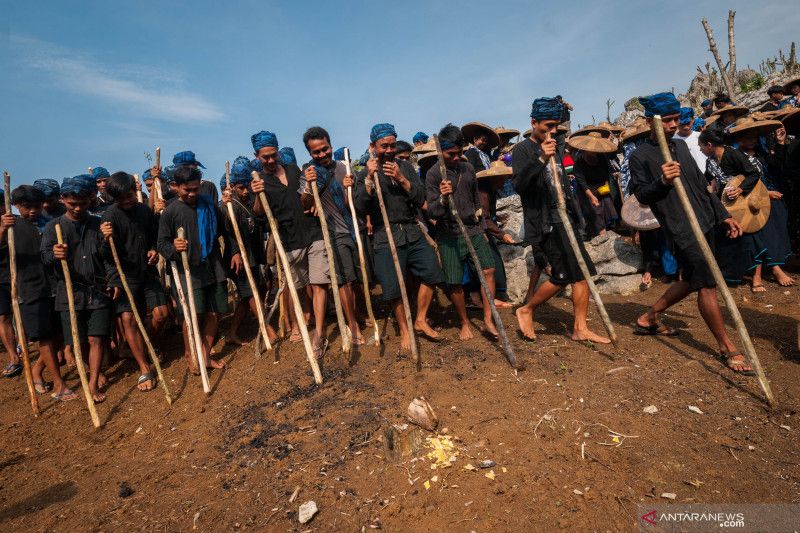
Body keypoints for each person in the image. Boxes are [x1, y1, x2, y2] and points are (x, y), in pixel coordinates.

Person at [628, 91, 753, 376]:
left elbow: (700, 184)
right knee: (707, 283)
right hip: (681, 227)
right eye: (667, 120)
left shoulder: (681, 148)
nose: (673, 125)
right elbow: (642, 196)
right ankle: (727, 347)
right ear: (650, 122)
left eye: (675, 119)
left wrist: (723, 215)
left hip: (706, 220)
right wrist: (662, 180)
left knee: (693, 279)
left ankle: (649, 317)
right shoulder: (640, 156)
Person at [512, 97, 610, 345]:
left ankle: (580, 328)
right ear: (534, 123)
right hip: (547, 221)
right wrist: (541, 159)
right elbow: (520, 186)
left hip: (566, 216)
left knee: (583, 272)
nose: (553, 131)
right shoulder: (523, 150)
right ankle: (527, 309)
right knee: (563, 274)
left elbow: (562, 183)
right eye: (547, 126)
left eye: (556, 126)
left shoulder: (556, 144)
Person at [355, 123, 444, 350]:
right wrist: (368, 181)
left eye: (392, 145)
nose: (389, 150)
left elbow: (421, 197)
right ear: (372, 146)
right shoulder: (365, 172)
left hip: (411, 230)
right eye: (384, 146)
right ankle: (404, 330)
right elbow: (358, 207)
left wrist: (402, 180)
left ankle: (420, 319)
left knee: (432, 272)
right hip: (385, 235)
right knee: (394, 287)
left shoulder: (404, 166)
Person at [249, 130, 329, 359]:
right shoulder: (259, 181)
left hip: (313, 233)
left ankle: (319, 334)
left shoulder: (296, 170)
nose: (271, 160)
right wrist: (257, 196)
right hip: (289, 241)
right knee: (299, 287)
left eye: (273, 155)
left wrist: (312, 194)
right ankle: (298, 324)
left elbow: (308, 197)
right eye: (265, 157)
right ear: (257, 156)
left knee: (320, 283)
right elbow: (259, 214)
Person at [42, 176, 114, 402]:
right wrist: (54, 255)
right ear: (63, 200)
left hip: (98, 291)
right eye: (72, 203)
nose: (77, 208)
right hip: (69, 293)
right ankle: (93, 372)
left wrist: (108, 242)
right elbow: (43, 258)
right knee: (78, 340)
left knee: (96, 339)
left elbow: (109, 259)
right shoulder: (53, 228)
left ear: (91, 200)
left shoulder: (98, 224)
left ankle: (92, 384)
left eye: (82, 203)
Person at [1, 185, 76, 399]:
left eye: (36, 206)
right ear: (16, 205)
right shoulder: (10, 224)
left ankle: (36, 371)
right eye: (27, 207)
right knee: (44, 338)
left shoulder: (48, 222)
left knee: (62, 333)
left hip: (54, 285)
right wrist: (2, 230)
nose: (33, 210)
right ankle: (59, 384)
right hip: (29, 289)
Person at [426, 123, 499, 340]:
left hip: (473, 228)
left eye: (460, 153)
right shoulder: (432, 175)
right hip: (449, 234)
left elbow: (477, 201)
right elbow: (433, 211)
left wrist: (483, 228)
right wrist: (442, 197)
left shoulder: (467, 169)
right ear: (441, 151)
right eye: (451, 154)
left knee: (488, 270)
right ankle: (465, 322)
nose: (457, 157)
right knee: (455, 281)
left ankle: (488, 319)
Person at [157, 165, 230, 373]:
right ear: (175, 187)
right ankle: (191, 355)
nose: (192, 194)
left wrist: (232, 252)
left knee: (215, 313)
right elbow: (162, 244)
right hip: (188, 270)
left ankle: (205, 355)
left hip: (212, 265)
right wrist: (174, 248)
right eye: (186, 190)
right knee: (193, 316)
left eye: (195, 189)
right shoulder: (170, 212)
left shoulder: (208, 205)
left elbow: (225, 230)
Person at [299, 127, 365, 345]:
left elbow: (355, 203)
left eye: (324, 149)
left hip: (354, 229)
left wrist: (350, 188)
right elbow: (306, 206)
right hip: (333, 234)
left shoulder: (345, 168)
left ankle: (359, 316)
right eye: (316, 152)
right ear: (310, 154)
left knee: (356, 279)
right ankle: (352, 326)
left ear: (330, 144)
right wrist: (309, 186)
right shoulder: (309, 173)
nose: (322, 155)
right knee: (343, 282)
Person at [100, 172, 163, 391]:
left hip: (147, 273)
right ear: (114, 199)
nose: (127, 201)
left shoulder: (145, 211)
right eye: (121, 199)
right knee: (127, 318)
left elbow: (155, 236)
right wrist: (105, 239)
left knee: (161, 314)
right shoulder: (109, 216)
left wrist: (154, 250)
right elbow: (106, 256)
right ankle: (144, 367)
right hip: (125, 277)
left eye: (129, 195)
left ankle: (146, 345)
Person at [731, 120, 794, 289]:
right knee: (757, 233)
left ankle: (768, 269)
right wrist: (765, 194)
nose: (752, 141)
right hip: (749, 202)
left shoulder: (762, 154)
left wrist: (780, 142)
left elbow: (777, 166)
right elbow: (737, 184)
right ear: (739, 139)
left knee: (775, 228)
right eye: (748, 138)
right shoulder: (735, 157)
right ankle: (769, 271)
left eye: (754, 137)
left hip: (772, 199)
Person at [221, 156, 277, 346]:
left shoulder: (252, 200)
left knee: (248, 296)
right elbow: (227, 231)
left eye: (247, 187)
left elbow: (260, 221)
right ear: (233, 186)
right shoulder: (229, 205)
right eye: (240, 188)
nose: (245, 192)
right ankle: (267, 330)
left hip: (253, 256)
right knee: (250, 293)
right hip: (237, 259)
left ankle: (232, 333)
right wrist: (236, 251)